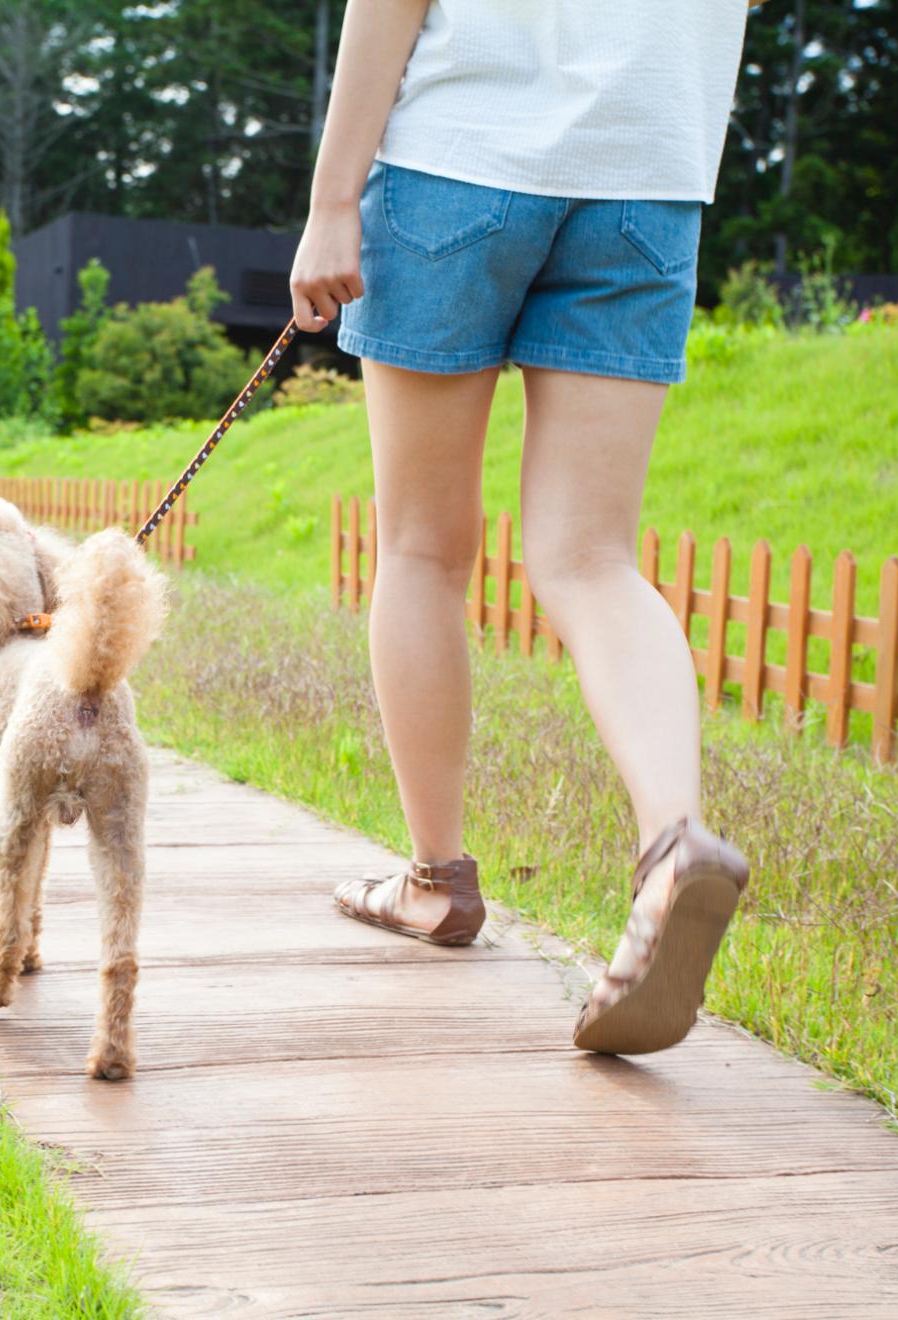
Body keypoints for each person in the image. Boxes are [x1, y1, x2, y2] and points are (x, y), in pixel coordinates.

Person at [290, 0, 752, 1055]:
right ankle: (673, 843)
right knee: (592, 558)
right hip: (646, 179)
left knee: (419, 547)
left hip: (462, 158)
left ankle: (435, 881)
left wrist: (330, 198)